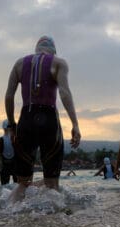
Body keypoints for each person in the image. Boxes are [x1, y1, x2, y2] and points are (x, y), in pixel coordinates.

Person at [5, 35, 81, 201]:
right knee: (52, 184)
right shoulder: (59, 62)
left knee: (23, 184)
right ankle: (52, 223)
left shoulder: (19, 63)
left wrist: (12, 125)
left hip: (26, 119)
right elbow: (64, 93)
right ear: (53, 50)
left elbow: (9, 97)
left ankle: (7, 219)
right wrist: (75, 124)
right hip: (49, 121)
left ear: (37, 48)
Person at [0, 120, 17, 185]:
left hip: (5, 167)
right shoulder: (16, 139)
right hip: (16, 167)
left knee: (4, 188)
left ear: (3, 128)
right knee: (18, 188)